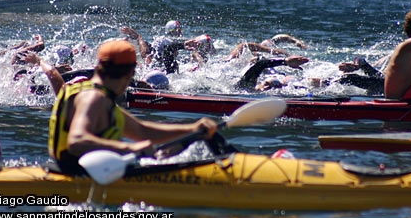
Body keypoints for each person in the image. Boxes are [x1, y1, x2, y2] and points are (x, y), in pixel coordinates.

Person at [48, 40, 217, 174]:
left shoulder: (93, 94)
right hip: (79, 177)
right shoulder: (94, 98)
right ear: (130, 73)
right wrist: (131, 147)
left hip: (79, 171)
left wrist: (193, 129)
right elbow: (77, 141)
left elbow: (143, 131)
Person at [235, 56, 309, 91]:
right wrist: (285, 61)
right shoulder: (244, 85)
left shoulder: (248, 87)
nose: (265, 88)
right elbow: (260, 64)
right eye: (267, 85)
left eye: (269, 87)